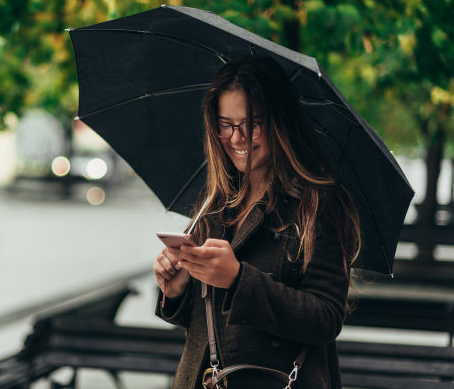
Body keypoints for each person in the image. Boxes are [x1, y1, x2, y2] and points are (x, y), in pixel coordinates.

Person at [153, 56, 361, 389]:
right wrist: (176, 291)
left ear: (280, 122)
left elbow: (325, 317)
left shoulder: (318, 203)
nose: (236, 138)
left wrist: (238, 281)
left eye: (251, 124)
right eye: (225, 124)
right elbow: (206, 324)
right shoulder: (214, 202)